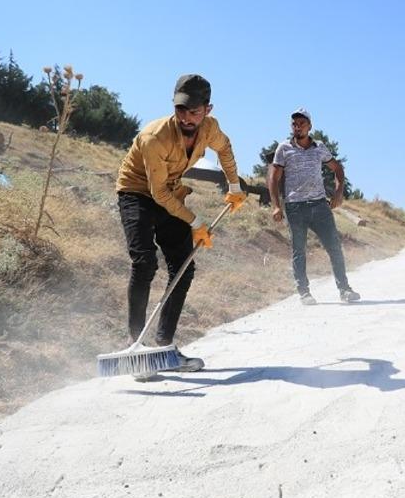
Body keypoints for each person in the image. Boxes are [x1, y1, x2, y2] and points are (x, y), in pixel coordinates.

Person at [115, 73, 246, 380]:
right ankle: (136, 346)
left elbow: (225, 148)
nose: (186, 118)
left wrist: (234, 185)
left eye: (194, 112)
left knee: (183, 267)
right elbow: (157, 194)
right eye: (180, 109)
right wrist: (196, 221)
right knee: (144, 262)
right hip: (137, 193)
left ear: (207, 110)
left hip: (170, 192)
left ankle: (165, 348)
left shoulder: (210, 128)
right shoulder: (154, 137)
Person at [267, 108, 360, 305]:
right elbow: (273, 178)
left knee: (334, 247)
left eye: (302, 123)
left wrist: (338, 192)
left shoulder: (320, 148)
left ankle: (344, 290)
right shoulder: (284, 148)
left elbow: (337, 168)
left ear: (310, 126)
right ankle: (304, 292)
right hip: (295, 207)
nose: (297, 127)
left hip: (319, 206)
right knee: (299, 250)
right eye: (294, 124)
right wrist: (276, 206)